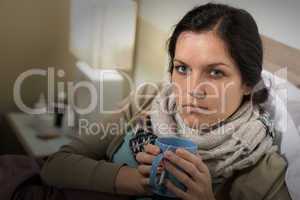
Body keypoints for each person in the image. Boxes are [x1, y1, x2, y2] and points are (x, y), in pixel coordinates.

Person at [41, 3, 292, 200]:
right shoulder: (147, 99)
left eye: (216, 72)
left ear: (248, 83)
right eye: (182, 69)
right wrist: (138, 181)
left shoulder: (263, 170)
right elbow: (56, 165)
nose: (192, 90)